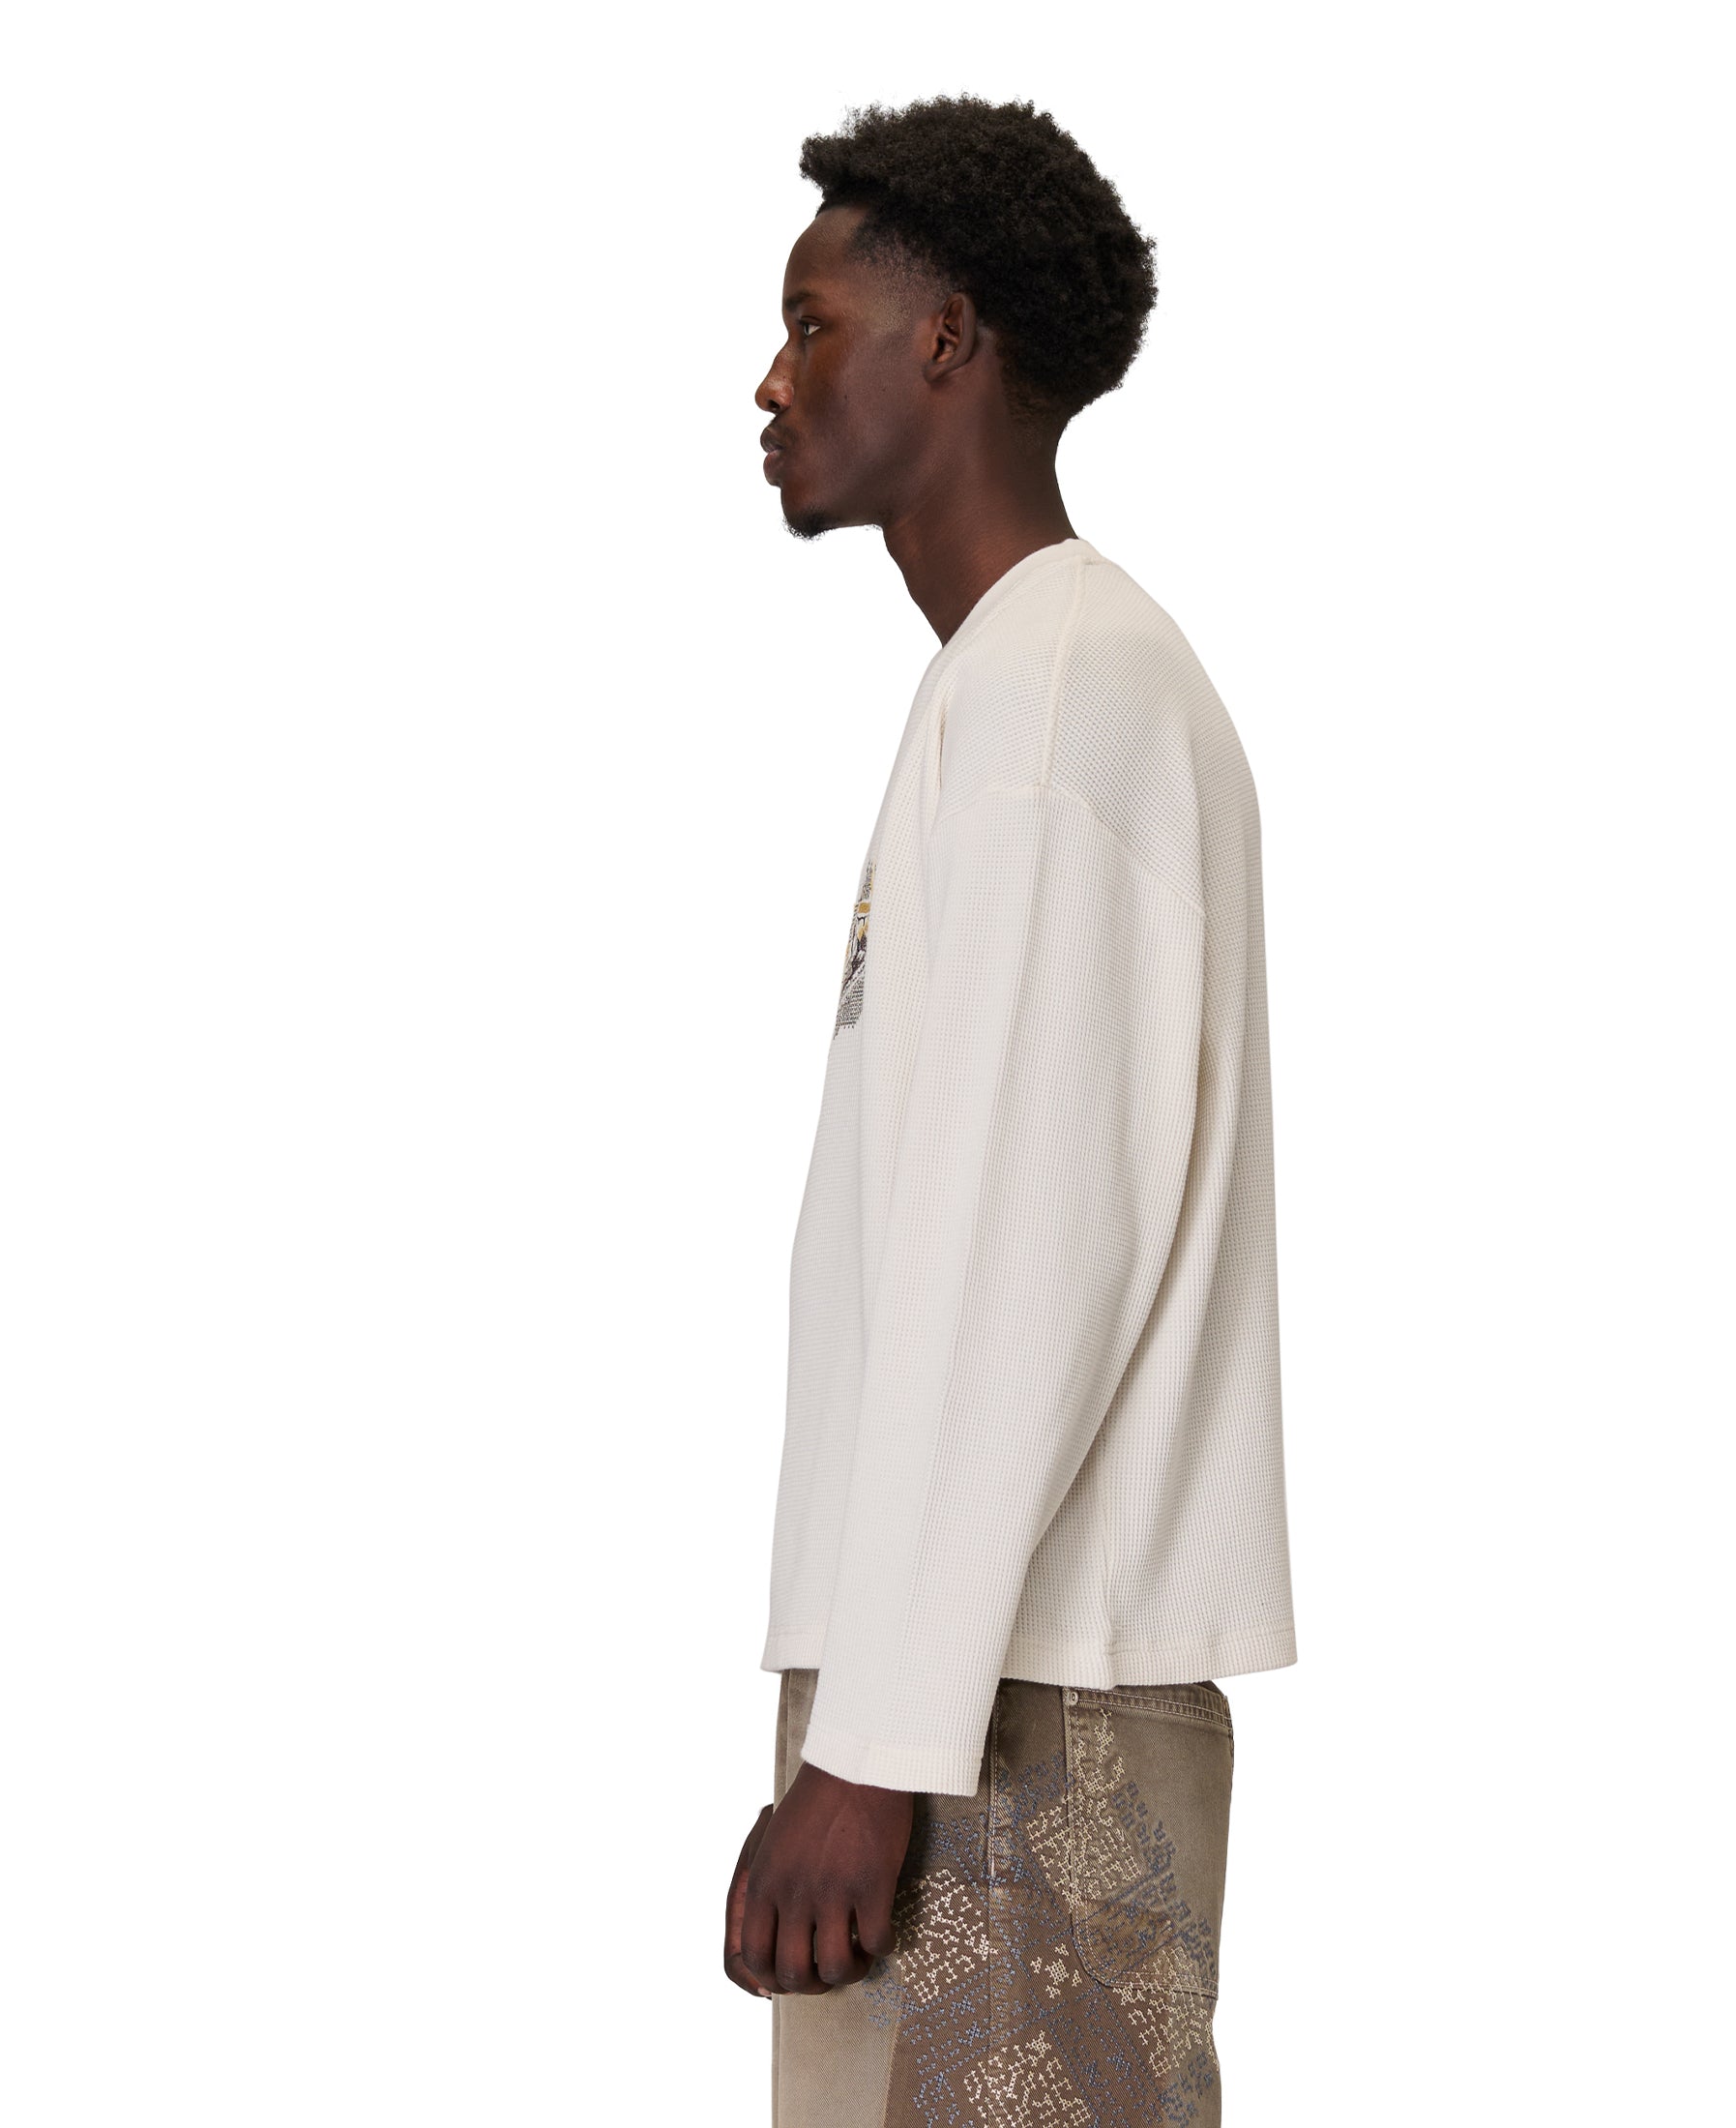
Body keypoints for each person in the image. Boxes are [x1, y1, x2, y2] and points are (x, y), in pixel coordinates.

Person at [726, 94, 1297, 2127]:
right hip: (961, 1694)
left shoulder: (1062, 701)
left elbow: (1025, 1250)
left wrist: (870, 1752)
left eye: (812, 324)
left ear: (946, 338)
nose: (770, 380)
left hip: (1010, 1718)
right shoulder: (1010, 688)